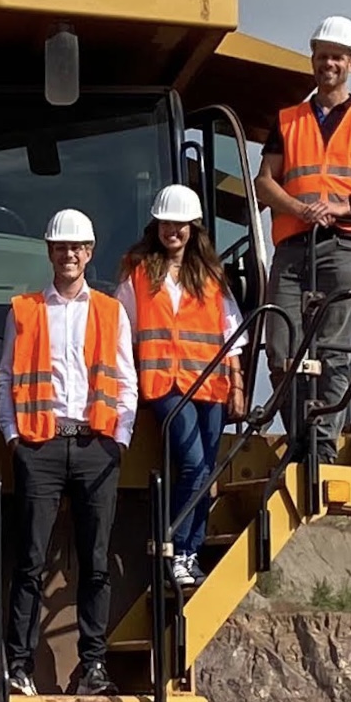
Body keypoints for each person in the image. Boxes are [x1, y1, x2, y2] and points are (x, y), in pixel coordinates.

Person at [0, 208, 138, 697]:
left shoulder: (111, 311)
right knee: (30, 562)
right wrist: (13, 437)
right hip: (41, 445)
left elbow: (126, 380)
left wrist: (119, 440)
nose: (69, 255)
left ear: (89, 252)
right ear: (50, 252)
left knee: (95, 563)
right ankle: (18, 665)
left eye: (77, 247)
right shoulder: (24, 310)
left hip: (96, 446)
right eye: (61, 247)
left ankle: (92, 666)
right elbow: (6, 379)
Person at [254, 16, 351, 464]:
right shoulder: (288, 120)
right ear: (313, 60)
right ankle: (301, 438)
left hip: (345, 245)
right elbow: (265, 182)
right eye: (322, 56)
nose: (328, 64)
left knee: (334, 350)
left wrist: (341, 208)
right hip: (294, 245)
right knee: (282, 349)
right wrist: (298, 208)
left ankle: (320, 446)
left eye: (337, 56)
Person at [116, 184, 247, 587]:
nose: (172, 231)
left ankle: (189, 553)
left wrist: (238, 385)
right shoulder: (138, 272)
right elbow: (122, 330)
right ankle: (173, 548)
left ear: (193, 227)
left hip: (211, 384)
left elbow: (231, 334)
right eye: (166, 223)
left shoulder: (211, 275)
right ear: (156, 225)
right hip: (165, 385)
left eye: (180, 224)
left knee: (207, 470)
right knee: (192, 464)